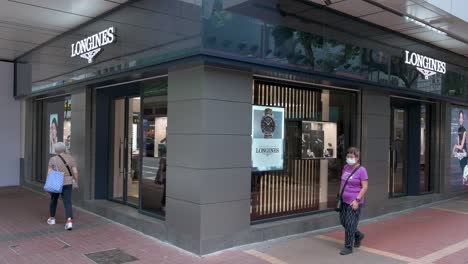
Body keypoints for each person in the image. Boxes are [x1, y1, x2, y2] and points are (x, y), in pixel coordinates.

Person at [339, 147, 369, 255]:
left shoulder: (362, 170)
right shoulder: (346, 167)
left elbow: (365, 187)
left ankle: (348, 247)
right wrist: (340, 196)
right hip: (343, 200)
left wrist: (357, 200)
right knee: (343, 221)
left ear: (357, 158)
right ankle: (358, 235)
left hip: (354, 202)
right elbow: (343, 182)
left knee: (350, 223)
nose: (349, 158)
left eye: (351, 157)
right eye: (348, 156)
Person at [46, 142, 79, 230]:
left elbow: (49, 173)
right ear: (64, 148)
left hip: (56, 182)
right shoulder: (70, 158)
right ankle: (69, 222)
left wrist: (49, 183)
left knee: (53, 200)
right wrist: (76, 181)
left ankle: (52, 219)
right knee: (67, 201)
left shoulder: (53, 159)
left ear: (56, 149)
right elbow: (75, 172)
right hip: (68, 182)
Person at [453, 110, 467, 185]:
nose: (461, 119)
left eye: (462, 117)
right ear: (459, 119)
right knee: (463, 171)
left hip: (464, 152)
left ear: (464, 119)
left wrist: (455, 147)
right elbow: (459, 142)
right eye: (460, 117)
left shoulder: (464, 130)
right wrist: (455, 152)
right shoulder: (459, 129)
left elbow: (461, 146)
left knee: (464, 170)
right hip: (460, 153)